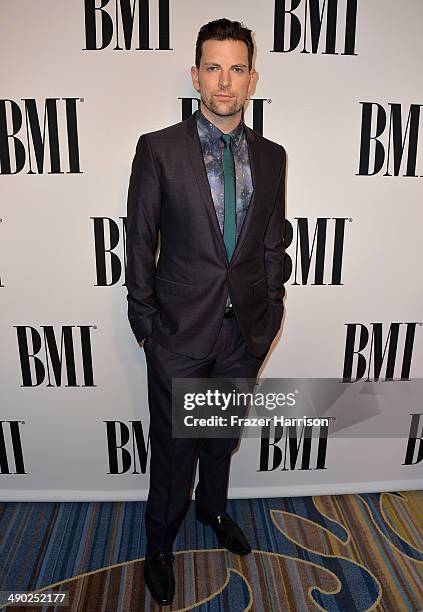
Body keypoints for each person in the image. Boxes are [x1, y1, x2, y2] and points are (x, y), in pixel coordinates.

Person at [126, 18, 287, 606]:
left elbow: (273, 244)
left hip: (241, 333)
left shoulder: (271, 158)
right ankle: (160, 545)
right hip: (177, 334)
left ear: (252, 78)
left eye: (237, 68)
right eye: (214, 67)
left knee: (219, 439)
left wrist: (267, 319)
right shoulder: (159, 149)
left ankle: (213, 512)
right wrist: (147, 327)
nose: (225, 81)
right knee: (173, 451)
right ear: (196, 76)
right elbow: (140, 242)